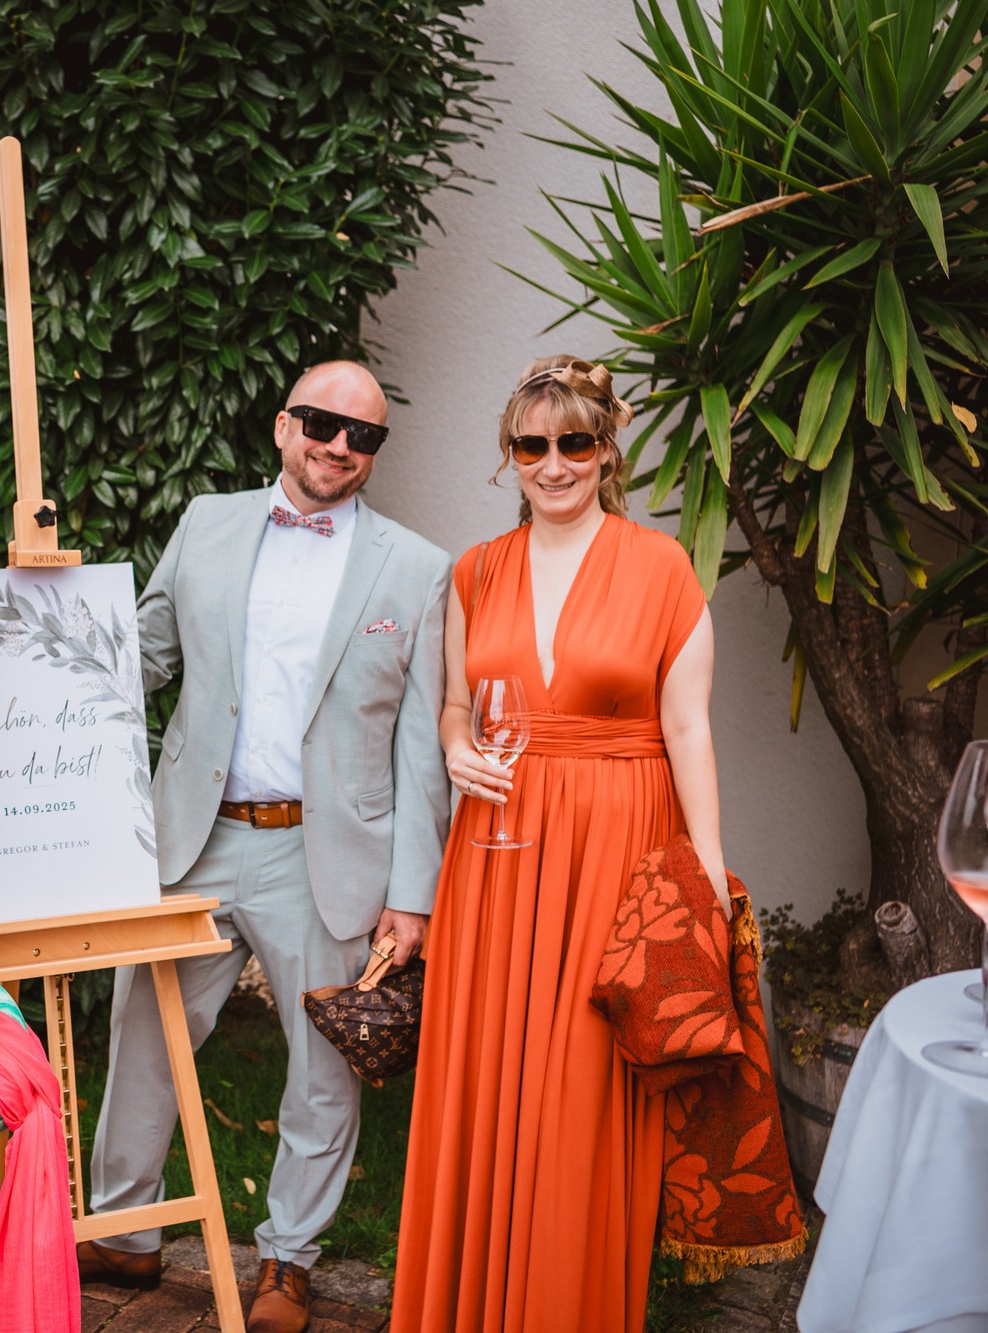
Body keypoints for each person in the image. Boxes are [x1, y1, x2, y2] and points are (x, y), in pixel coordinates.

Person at [82, 362, 453, 1333]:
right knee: (143, 1032)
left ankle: (289, 1257)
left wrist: (411, 892)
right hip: (194, 837)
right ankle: (124, 1226)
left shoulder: (417, 569)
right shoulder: (207, 522)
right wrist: (47, 625)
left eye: (363, 435)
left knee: (324, 1066)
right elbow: (143, 655)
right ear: (284, 424)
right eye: (323, 423)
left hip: (329, 856)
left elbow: (422, 747)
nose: (339, 446)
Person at [390, 355, 729, 1333]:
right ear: (509, 454)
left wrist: (706, 868)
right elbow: (455, 706)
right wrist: (456, 749)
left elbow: (688, 726)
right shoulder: (475, 569)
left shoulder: (660, 568)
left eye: (574, 441)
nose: (553, 463)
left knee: (581, 1077)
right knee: (488, 1069)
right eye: (531, 444)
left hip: (617, 845)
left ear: (605, 449)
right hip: (495, 850)